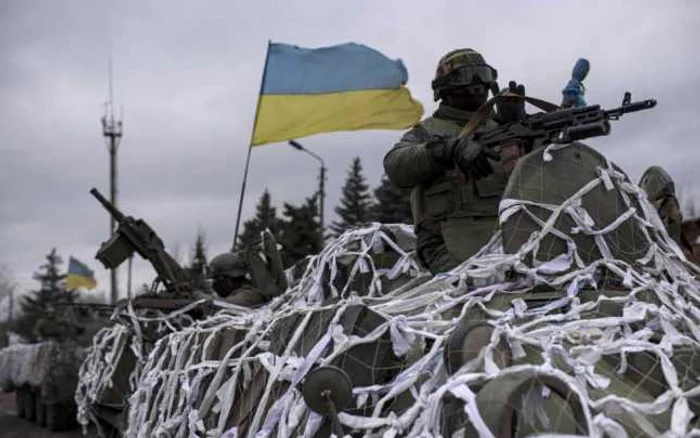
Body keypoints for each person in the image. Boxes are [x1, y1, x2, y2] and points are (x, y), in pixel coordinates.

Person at [384, 48, 525, 274]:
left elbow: (542, 175)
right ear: (446, 88)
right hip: (447, 247)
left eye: (483, 75)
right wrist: (446, 150)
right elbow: (395, 165)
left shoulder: (502, 127)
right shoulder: (427, 132)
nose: (477, 84)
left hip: (511, 240)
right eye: (466, 76)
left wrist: (520, 129)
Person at [208, 251, 279, 307]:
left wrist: (208, 304)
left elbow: (231, 304)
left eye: (217, 279)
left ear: (230, 278)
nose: (214, 284)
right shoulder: (235, 295)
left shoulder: (251, 295)